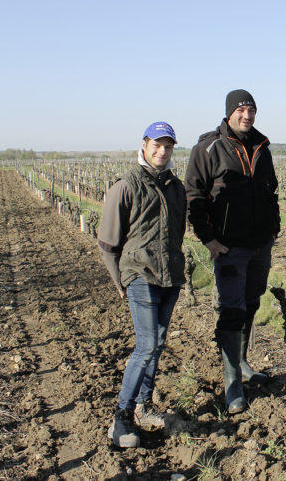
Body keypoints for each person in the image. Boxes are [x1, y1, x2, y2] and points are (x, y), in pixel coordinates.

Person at [185, 90, 280, 414]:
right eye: (241, 110)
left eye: (251, 110)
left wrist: (273, 228)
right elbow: (193, 197)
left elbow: (271, 190)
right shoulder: (208, 148)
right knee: (232, 310)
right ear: (229, 113)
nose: (247, 115)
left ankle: (241, 363)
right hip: (229, 247)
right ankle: (231, 382)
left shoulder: (262, 146)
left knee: (251, 303)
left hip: (260, 245)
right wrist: (208, 239)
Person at [98, 122, 187, 448]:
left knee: (158, 341)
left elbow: (176, 232)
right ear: (145, 145)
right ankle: (120, 416)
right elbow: (108, 243)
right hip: (139, 274)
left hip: (170, 276)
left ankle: (143, 405)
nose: (162, 152)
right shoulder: (127, 185)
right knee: (147, 344)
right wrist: (120, 280)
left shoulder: (176, 187)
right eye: (157, 145)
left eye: (168, 146)